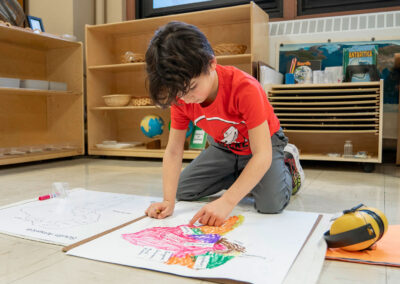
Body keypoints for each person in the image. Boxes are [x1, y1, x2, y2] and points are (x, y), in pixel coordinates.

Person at [144, 21, 304, 227]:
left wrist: (227, 201)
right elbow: (174, 151)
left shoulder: (245, 88)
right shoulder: (181, 96)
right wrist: (168, 200)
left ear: (211, 64)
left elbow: (262, 154)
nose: (185, 98)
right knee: (183, 191)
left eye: (192, 87)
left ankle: (288, 167)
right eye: (178, 93)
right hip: (224, 147)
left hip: (264, 146)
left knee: (270, 204)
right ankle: (244, 177)